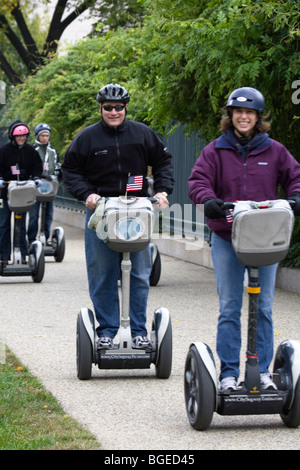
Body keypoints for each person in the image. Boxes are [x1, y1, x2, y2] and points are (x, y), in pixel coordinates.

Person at [188, 87, 300, 392]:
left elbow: (295, 177)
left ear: (258, 117)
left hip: (265, 240)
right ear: (230, 116)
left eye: (249, 112)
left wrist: (295, 197)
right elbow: (198, 181)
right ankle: (227, 374)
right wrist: (207, 199)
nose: (243, 117)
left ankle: (262, 372)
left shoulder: (275, 151)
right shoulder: (215, 151)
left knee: (262, 307)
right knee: (229, 307)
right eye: (238, 112)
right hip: (227, 238)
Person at [62, 83, 174, 350]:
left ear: (126, 107)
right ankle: (107, 330)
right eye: (108, 108)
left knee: (138, 273)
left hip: (136, 211)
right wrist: (86, 194)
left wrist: (162, 190)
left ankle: (138, 331)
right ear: (100, 108)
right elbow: (70, 171)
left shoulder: (142, 134)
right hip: (102, 212)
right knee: (102, 273)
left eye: (119, 107)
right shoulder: (87, 138)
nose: (114, 112)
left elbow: (163, 162)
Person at [0, 120, 43, 264]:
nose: (22, 138)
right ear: (13, 137)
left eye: (24, 136)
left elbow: (37, 167)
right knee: (4, 224)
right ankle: (4, 256)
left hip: (23, 193)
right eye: (19, 136)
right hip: (5, 193)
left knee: (21, 224)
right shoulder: (4, 151)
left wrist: (36, 178)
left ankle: (22, 256)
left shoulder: (31, 151)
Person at [27, 123, 61, 244]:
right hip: (35, 187)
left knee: (48, 215)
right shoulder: (31, 150)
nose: (45, 138)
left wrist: (57, 174)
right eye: (42, 135)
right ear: (37, 136)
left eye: (47, 135)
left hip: (49, 187)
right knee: (34, 215)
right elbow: (28, 168)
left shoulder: (53, 151)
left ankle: (45, 238)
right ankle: (31, 239)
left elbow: (58, 166)